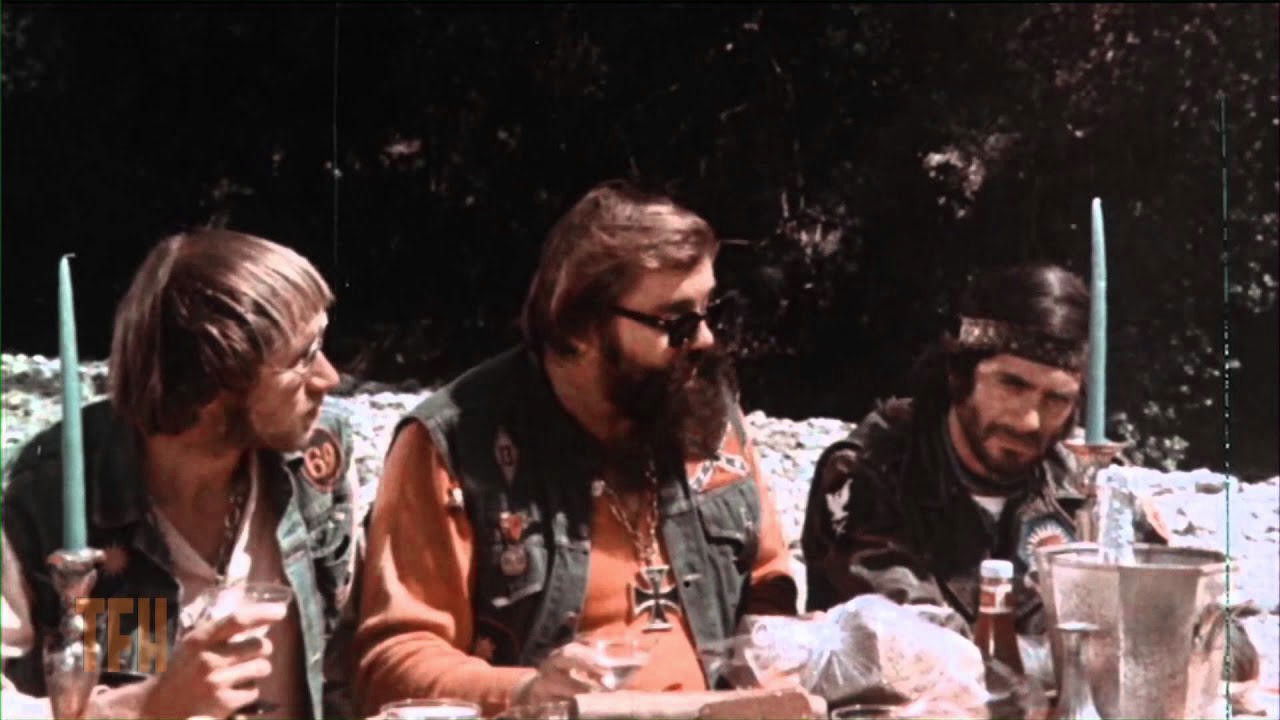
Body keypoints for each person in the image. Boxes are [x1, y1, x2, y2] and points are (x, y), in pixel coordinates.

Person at [353, 181, 797, 717]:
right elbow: (393, 662)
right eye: (677, 322)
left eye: (710, 312)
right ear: (580, 326)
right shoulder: (454, 446)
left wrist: (789, 649)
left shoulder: (702, 411)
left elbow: (767, 580)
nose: (704, 340)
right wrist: (525, 694)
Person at [1, 230, 359, 719]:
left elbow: (353, 653)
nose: (329, 378)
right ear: (212, 387)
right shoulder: (40, 495)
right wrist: (146, 707)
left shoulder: (316, 462)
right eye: (303, 358)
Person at [800, 264, 1168, 626]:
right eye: (1013, 385)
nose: (1030, 421)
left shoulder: (1087, 485)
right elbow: (911, 636)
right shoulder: (870, 472)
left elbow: (1167, 609)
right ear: (959, 374)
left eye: (1056, 399)